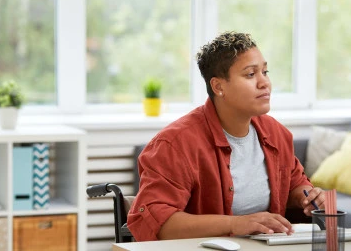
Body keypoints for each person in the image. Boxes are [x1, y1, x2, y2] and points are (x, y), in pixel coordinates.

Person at [127, 31, 325, 241]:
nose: (264, 83)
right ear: (218, 86)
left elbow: (294, 182)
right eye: (250, 74)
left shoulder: (277, 134)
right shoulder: (174, 144)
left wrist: (307, 197)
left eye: (265, 72)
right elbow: (159, 223)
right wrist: (236, 224)